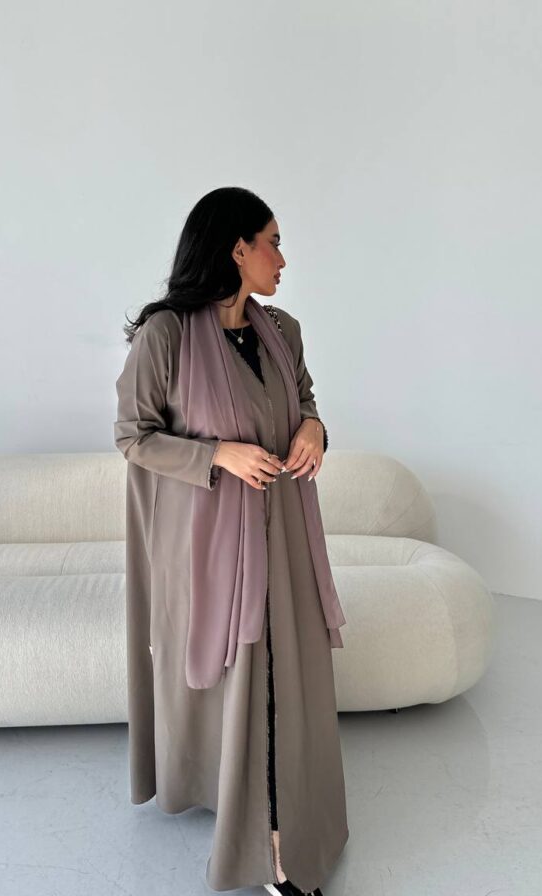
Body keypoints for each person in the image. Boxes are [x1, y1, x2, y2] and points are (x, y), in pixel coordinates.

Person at [114, 186, 349, 895]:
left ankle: (283, 825)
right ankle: (269, 848)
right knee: (240, 674)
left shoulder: (283, 331)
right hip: (208, 545)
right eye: (272, 242)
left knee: (280, 674)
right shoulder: (165, 336)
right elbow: (134, 437)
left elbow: (303, 401)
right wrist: (217, 453)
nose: (283, 258)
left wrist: (314, 430)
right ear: (236, 249)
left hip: (283, 535)